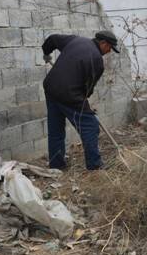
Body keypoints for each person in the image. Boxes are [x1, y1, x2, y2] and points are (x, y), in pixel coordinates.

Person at [42, 31, 120, 170]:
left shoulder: (75, 40)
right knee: (91, 126)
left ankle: (56, 166)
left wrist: (46, 53)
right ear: (102, 43)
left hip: (51, 87)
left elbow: (52, 39)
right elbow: (87, 89)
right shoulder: (97, 60)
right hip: (69, 94)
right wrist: (85, 106)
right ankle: (95, 166)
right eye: (109, 48)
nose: (109, 52)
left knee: (55, 129)